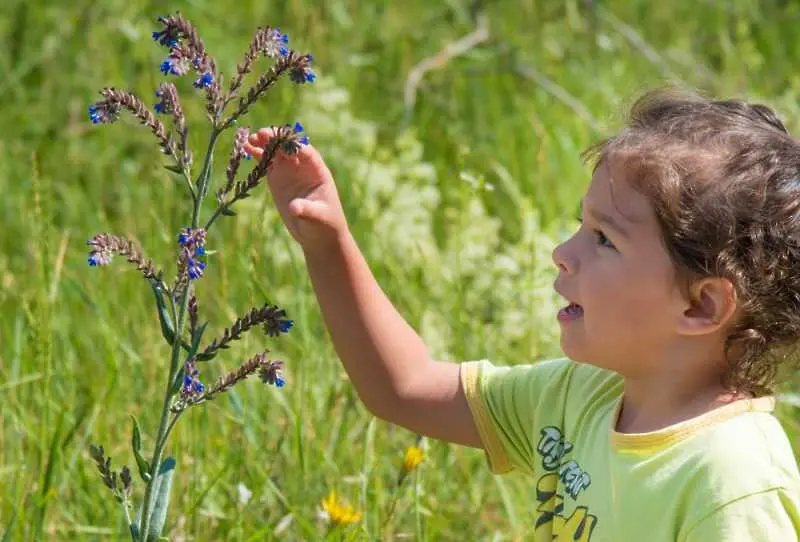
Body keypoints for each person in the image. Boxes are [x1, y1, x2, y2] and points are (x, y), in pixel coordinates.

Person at [244, 88, 800, 541]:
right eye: (581, 225)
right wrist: (327, 242)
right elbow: (404, 386)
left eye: (604, 239)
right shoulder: (578, 398)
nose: (563, 251)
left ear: (701, 305)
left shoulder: (733, 479)